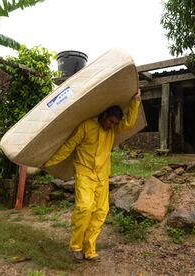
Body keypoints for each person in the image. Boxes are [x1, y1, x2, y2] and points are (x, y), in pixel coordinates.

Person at [42, 90, 141, 262]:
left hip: (102, 176)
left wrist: (135, 101)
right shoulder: (86, 126)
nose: (111, 125)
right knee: (85, 208)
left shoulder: (112, 130)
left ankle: (89, 249)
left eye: (115, 123)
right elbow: (69, 146)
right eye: (110, 121)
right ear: (104, 115)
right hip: (84, 173)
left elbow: (129, 124)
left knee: (101, 211)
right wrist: (48, 162)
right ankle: (76, 246)